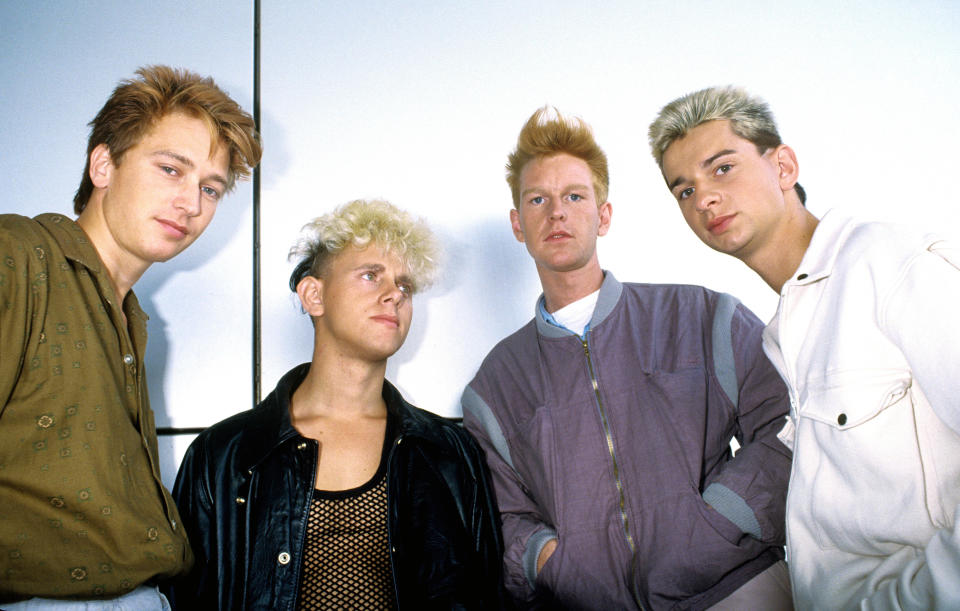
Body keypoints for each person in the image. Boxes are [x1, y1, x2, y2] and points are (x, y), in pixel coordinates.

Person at [461, 107, 793, 610]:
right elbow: (504, 514)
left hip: (735, 588)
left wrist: (720, 522)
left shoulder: (702, 315)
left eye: (575, 196)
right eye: (538, 199)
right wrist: (554, 563)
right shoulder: (494, 386)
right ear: (518, 225)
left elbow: (785, 423)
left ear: (604, 215)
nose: (557, 212)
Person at [649, 85, 960, 609]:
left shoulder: (892, 262)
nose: (703, 198)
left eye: (722, 168)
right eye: (684, 190)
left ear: (784, 167)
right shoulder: (782, 334)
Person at [0, 66, 262, 608]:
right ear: (103, 164)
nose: (191, 203)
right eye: (171, 169)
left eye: (210, 188)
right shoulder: (18, 255)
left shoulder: (132, 317)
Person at [166, 199, 507, 610]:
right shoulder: (224, 456)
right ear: (314, 295)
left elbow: (485, 596)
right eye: (370, 276)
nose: (394, 296)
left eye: (405, 285)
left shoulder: (449, 453)